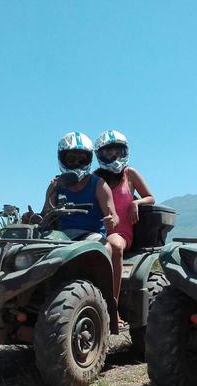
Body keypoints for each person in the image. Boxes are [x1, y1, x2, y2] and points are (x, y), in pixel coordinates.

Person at [93, 130, 155, 320]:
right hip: (98, 231)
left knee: (115, 246)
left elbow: (150, 197)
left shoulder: (130, 174)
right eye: (108, 153)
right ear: (99, 155)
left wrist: (136, 203)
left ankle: (113, 307)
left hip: (121, 233)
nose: (114, 157)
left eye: (118, 152)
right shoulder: (95, 178)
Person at [33, 131, 119, 243]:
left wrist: (112, 221)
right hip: (61, 237)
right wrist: (33, 218)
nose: (77, 163)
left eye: (82, 160)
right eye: (71, 160)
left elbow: (113, 215)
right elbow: (46, 215)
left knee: (104, 248)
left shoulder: (99, 185)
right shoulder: (55, 185)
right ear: (62, 159)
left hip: (91, 236)